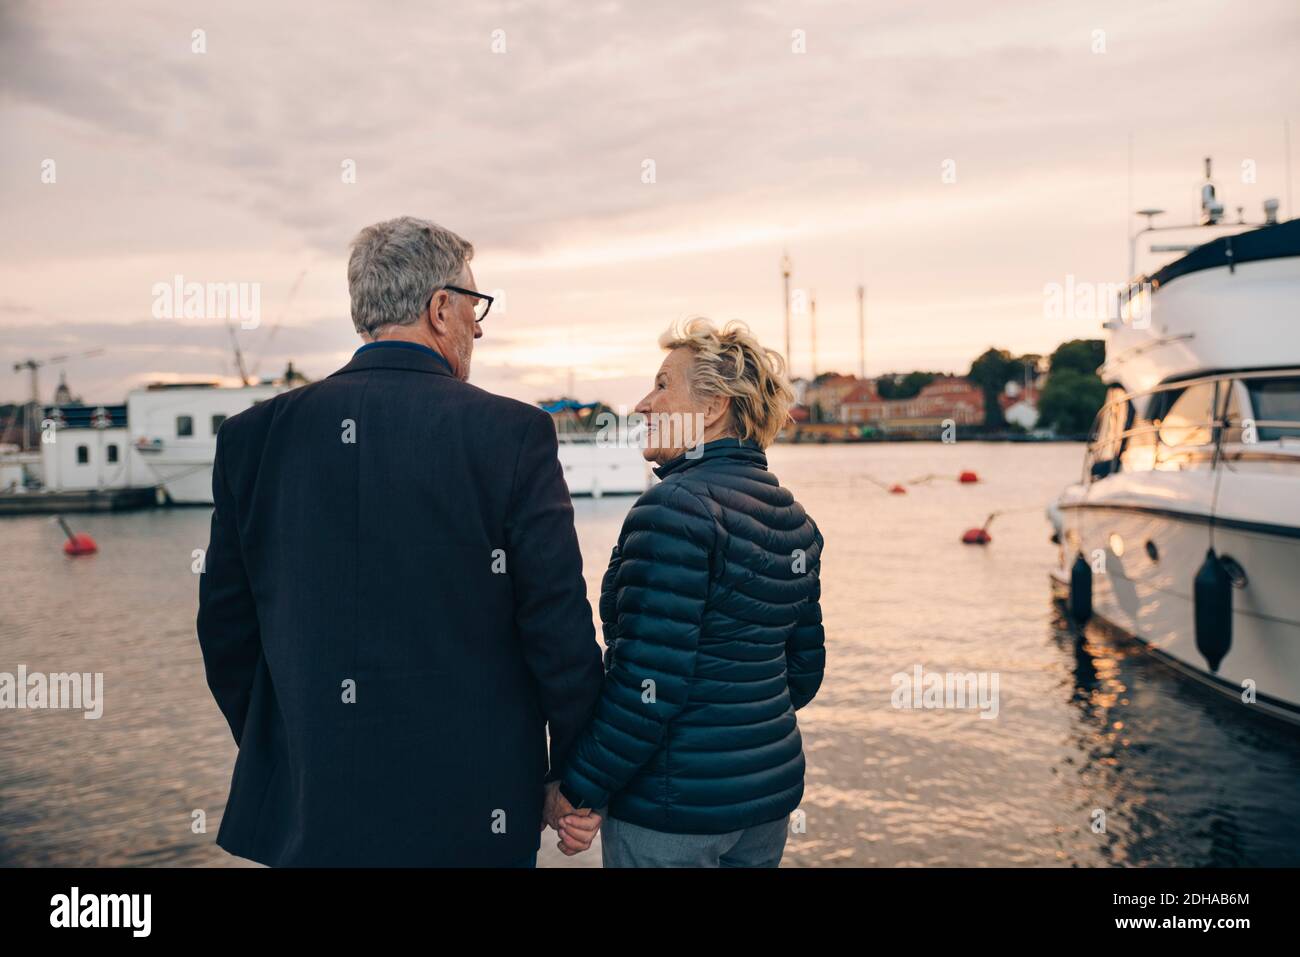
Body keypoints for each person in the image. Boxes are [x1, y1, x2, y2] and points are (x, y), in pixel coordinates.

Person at [196, 216, 604, 866]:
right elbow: (556, 626)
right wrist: (573, 776)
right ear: (440, 307)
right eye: (475, 305)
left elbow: (225, 628)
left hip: (312, 812)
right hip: (474, 809)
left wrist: (295, 749)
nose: (479, 324)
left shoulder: (254, 437)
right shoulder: (512, 434)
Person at [556, 317, 826, 867]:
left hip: (673, 811)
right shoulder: (795, 518)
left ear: (711, 409)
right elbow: (801, 673)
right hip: (764, 805)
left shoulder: (674, 508)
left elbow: (646, 684)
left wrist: (579, 788)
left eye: (661, 386)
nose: (641, 405)